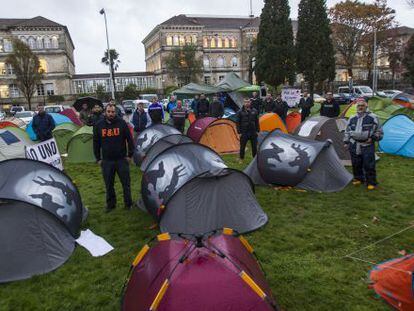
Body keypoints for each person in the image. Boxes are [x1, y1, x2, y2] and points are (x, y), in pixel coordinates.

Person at [93, 103, 135, 212]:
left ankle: (128, 204)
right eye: (109, 112)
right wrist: (98, 158)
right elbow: (96, 143)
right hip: (107, 161)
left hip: (121, 159)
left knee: (126, 184)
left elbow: (130, 140)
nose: (111, 114)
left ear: (115, 112)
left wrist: (130, 155)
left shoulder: (122, 123)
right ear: (105, 112)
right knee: (109, 185)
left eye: (112, 112)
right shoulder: (99, 125)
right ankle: (111, 205)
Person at [344, 99, 383, 190]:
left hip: (367, 144)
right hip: (354, 144)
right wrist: (346, 142)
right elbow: (347, 131)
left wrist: (372, 138)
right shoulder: (352, 118)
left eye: (362, 105)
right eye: (359, 106)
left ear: (366, 106)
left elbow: (379, 132)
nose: (360, 107)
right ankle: (358, 178)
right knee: (356, 163)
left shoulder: (373, 117)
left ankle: (371, 182)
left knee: (368, 164)